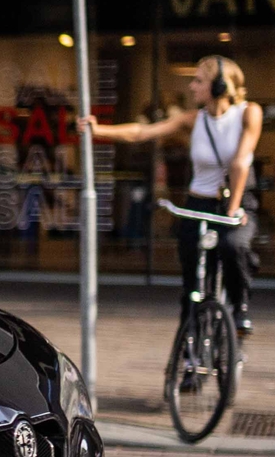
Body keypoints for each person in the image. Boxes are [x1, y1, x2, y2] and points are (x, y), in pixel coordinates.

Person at [82, 53, 264, 332]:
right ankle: (187, 360)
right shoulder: (193, 119)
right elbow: (143, 132)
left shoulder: (249, 113)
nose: (191, 87)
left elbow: (240, 162)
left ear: (219, 86)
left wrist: (233, 210)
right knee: (192, 285)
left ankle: (240, 308)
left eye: (198, 81)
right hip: (197, 204)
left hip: (236, 201)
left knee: (233, 246)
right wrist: (99, 130)